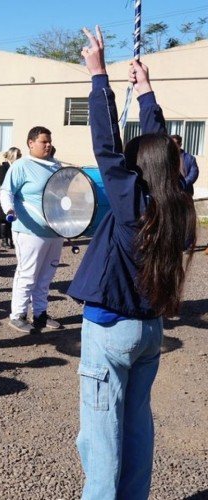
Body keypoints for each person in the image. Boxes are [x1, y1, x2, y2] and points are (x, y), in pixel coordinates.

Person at [70, 26, 197, 499]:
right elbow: (160, 151)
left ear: (138, 170)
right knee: (137, 428)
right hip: (148, 331)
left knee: (101, 439)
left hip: (112, 331)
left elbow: (106, 146)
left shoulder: (132, 203)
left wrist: (99, 76)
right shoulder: (175, 201)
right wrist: (145, 94)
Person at [0, 125, 65, 334]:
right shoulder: (21, 166)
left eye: (49, 141)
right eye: (44, 141)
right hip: (29, 230)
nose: (48, 145)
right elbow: (6, 192)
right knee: (27, 274)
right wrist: (9, 210)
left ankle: (40, 314)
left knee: (46, 276)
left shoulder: (56, 166)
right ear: (31, 143)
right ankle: (17, 315)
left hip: (54, 231)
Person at [0, 147, 22, 249]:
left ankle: (12, 240)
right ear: (13, 156)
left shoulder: (17, 167)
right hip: (5, 195)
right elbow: (3, 182)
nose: (20, 157)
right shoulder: (4, 167)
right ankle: (4, 240)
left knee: (13, 220)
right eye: (18, 155)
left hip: (15, 196)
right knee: (4, 220)